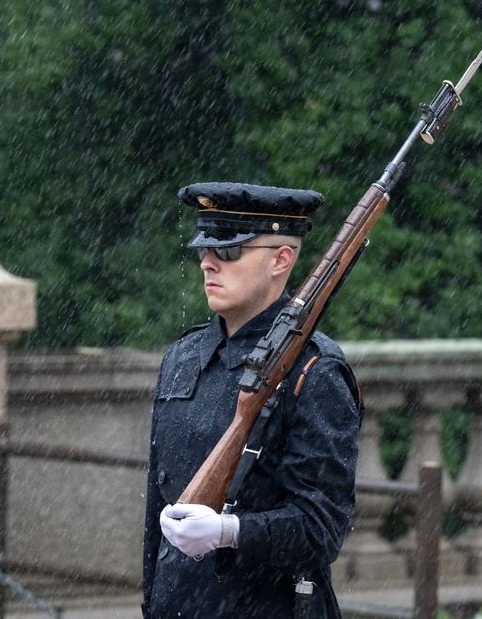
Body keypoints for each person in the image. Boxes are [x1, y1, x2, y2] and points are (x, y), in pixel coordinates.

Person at [142, 182, 363, 618]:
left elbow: (322, 529)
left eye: (228, 252)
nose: (207, 262)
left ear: (281, 259)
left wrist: (231, 532)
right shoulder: (183, 357)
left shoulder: (315, 371)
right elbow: (157, 511)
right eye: (204, 250)